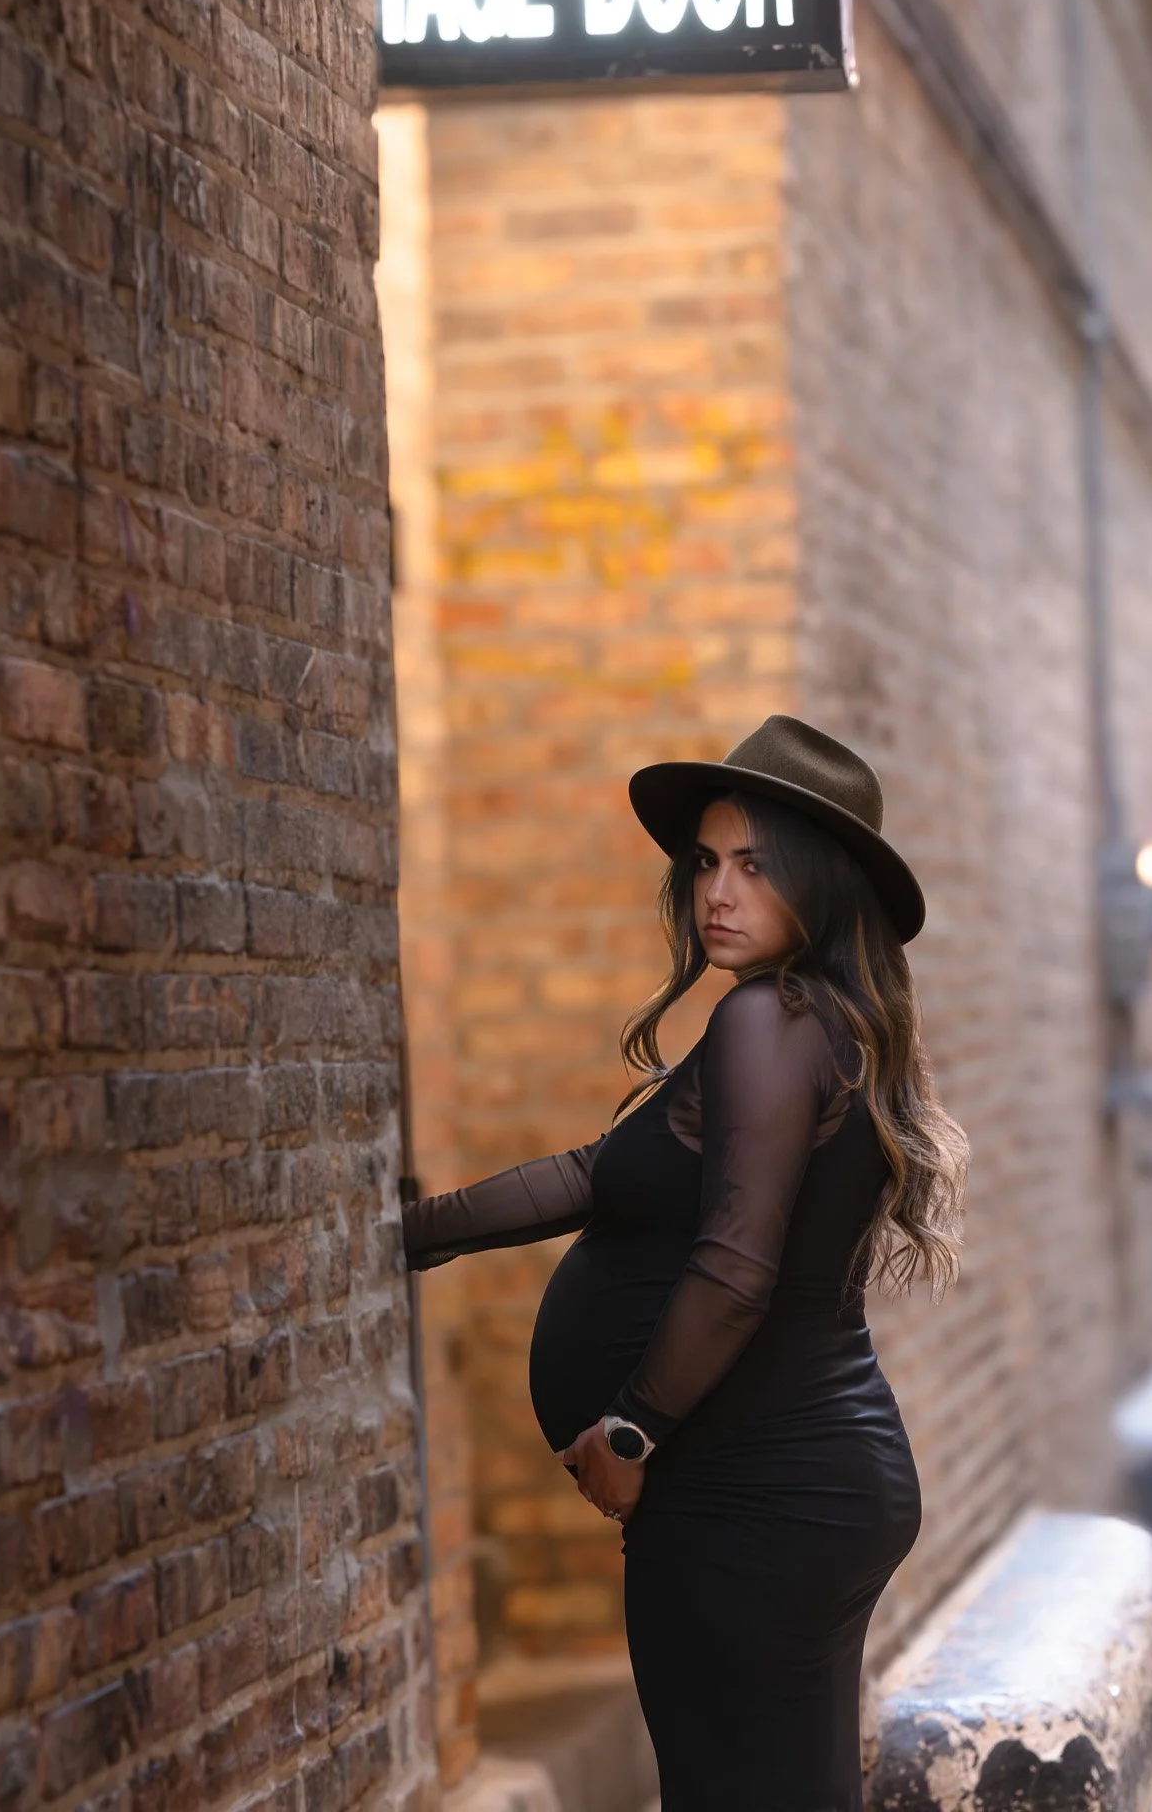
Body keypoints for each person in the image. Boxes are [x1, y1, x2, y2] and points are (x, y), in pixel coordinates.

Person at [401, 714, 968, 1811]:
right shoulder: (814, 1022)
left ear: (817, 881)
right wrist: (411, 1232)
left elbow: (734, 1264)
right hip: (800, 1485)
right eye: (705, 862)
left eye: (754, 865)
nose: (717, 891)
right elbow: (586, 1172)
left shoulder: (772, 1017)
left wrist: (627, 1428)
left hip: (753, 1493)